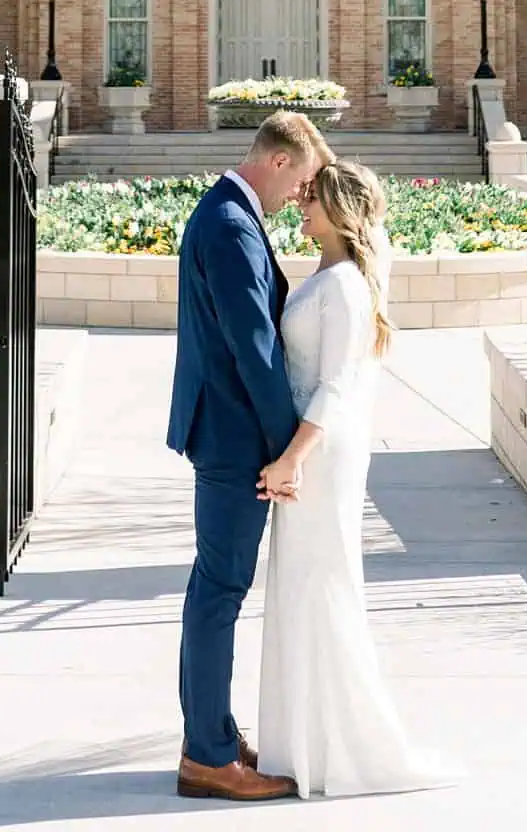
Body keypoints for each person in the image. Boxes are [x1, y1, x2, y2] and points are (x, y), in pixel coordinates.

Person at [256, 161, 456, 799]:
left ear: (340, 211)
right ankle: (301, 744)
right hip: (306, 450)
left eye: (312, 199)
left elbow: (338, 384)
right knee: (300, 586)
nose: (301, 204)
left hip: (321, 455)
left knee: (322, 583)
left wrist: (293, 459)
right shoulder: (327, 271)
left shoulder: (344, 286)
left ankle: (343, 748)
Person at [168, 110, 332, 804]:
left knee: (213, 588)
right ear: (280, 161)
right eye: (303, 183)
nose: (300, 198)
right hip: (238, 438)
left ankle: (213, 735)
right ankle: (209, 756)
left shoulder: (225, 212)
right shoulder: (232, 224)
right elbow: (253, 346)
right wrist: (285, 447)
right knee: (220, 592)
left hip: (225, 430)